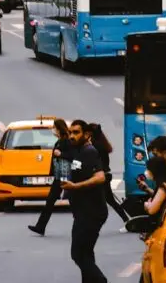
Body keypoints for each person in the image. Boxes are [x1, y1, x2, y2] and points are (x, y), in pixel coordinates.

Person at [60, 120, 108, 283]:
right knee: (86, 253)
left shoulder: (90, 151)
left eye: (76, 132)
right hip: (82, 211)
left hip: (92, 211)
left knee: (78, 253)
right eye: (70, 132)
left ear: (87, 135)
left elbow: (100, 177)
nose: (72, 136)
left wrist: (75, 186)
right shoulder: (78, 151)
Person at [28, 119, 74, 236]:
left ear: (59, 128)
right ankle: (40, 226)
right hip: (58, 175)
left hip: (64, 175)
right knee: (50, 201)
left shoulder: (67, 141)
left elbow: (72, 156)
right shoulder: (59, 141)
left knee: (73, 201)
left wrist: (61, 154)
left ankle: (83, 223)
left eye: (54, 127)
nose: (53, 129)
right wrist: (51, 173)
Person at [87, 123, 129, 223]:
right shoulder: (102, 143)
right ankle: (125, 219)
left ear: (91, 133)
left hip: (100, 176)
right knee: (109, 200)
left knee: (103, 200)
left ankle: (125, 219)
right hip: (105, 174)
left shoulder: (94, 146)